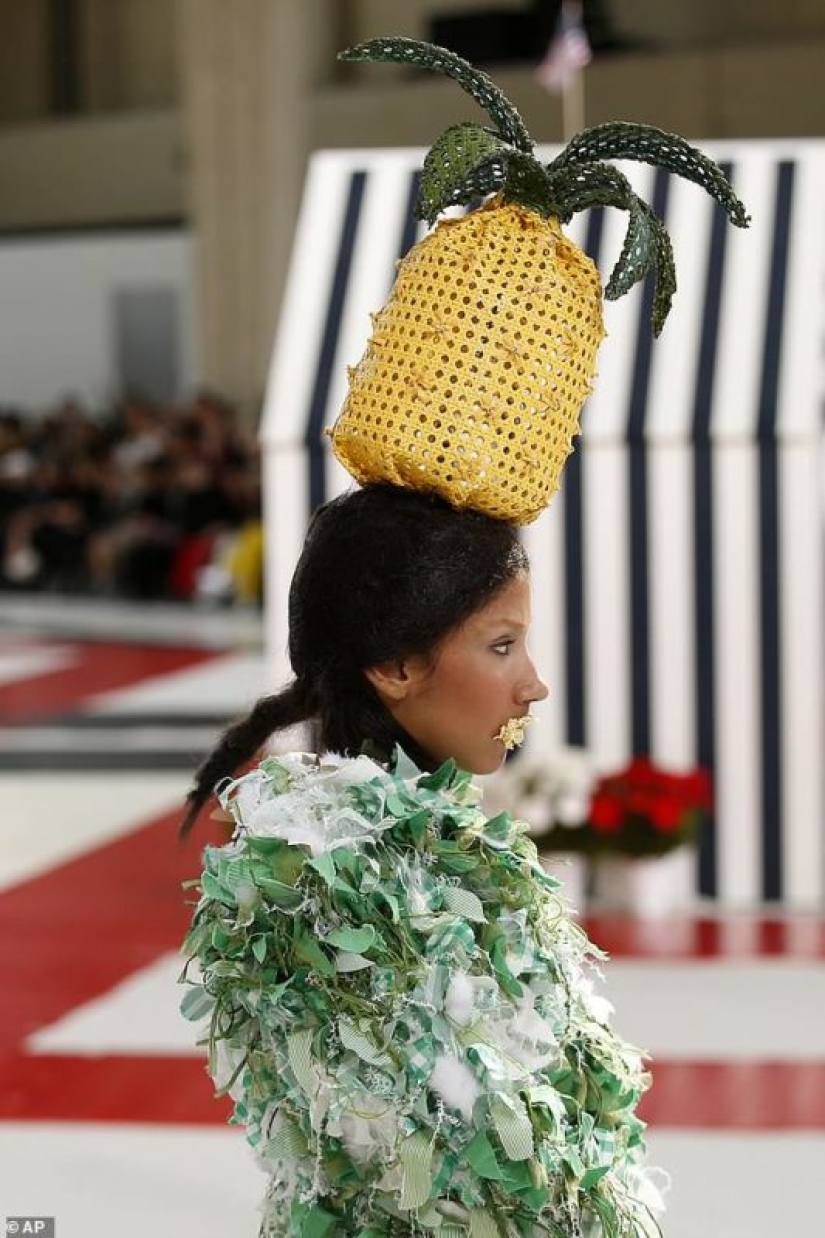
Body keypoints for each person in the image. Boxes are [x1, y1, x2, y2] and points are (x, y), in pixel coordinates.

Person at [181, 35, 748, 1238]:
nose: (534, 680)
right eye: (501, 645)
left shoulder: (424, 853)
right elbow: (485, 1182)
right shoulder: (307, 888)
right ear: (393, 663)